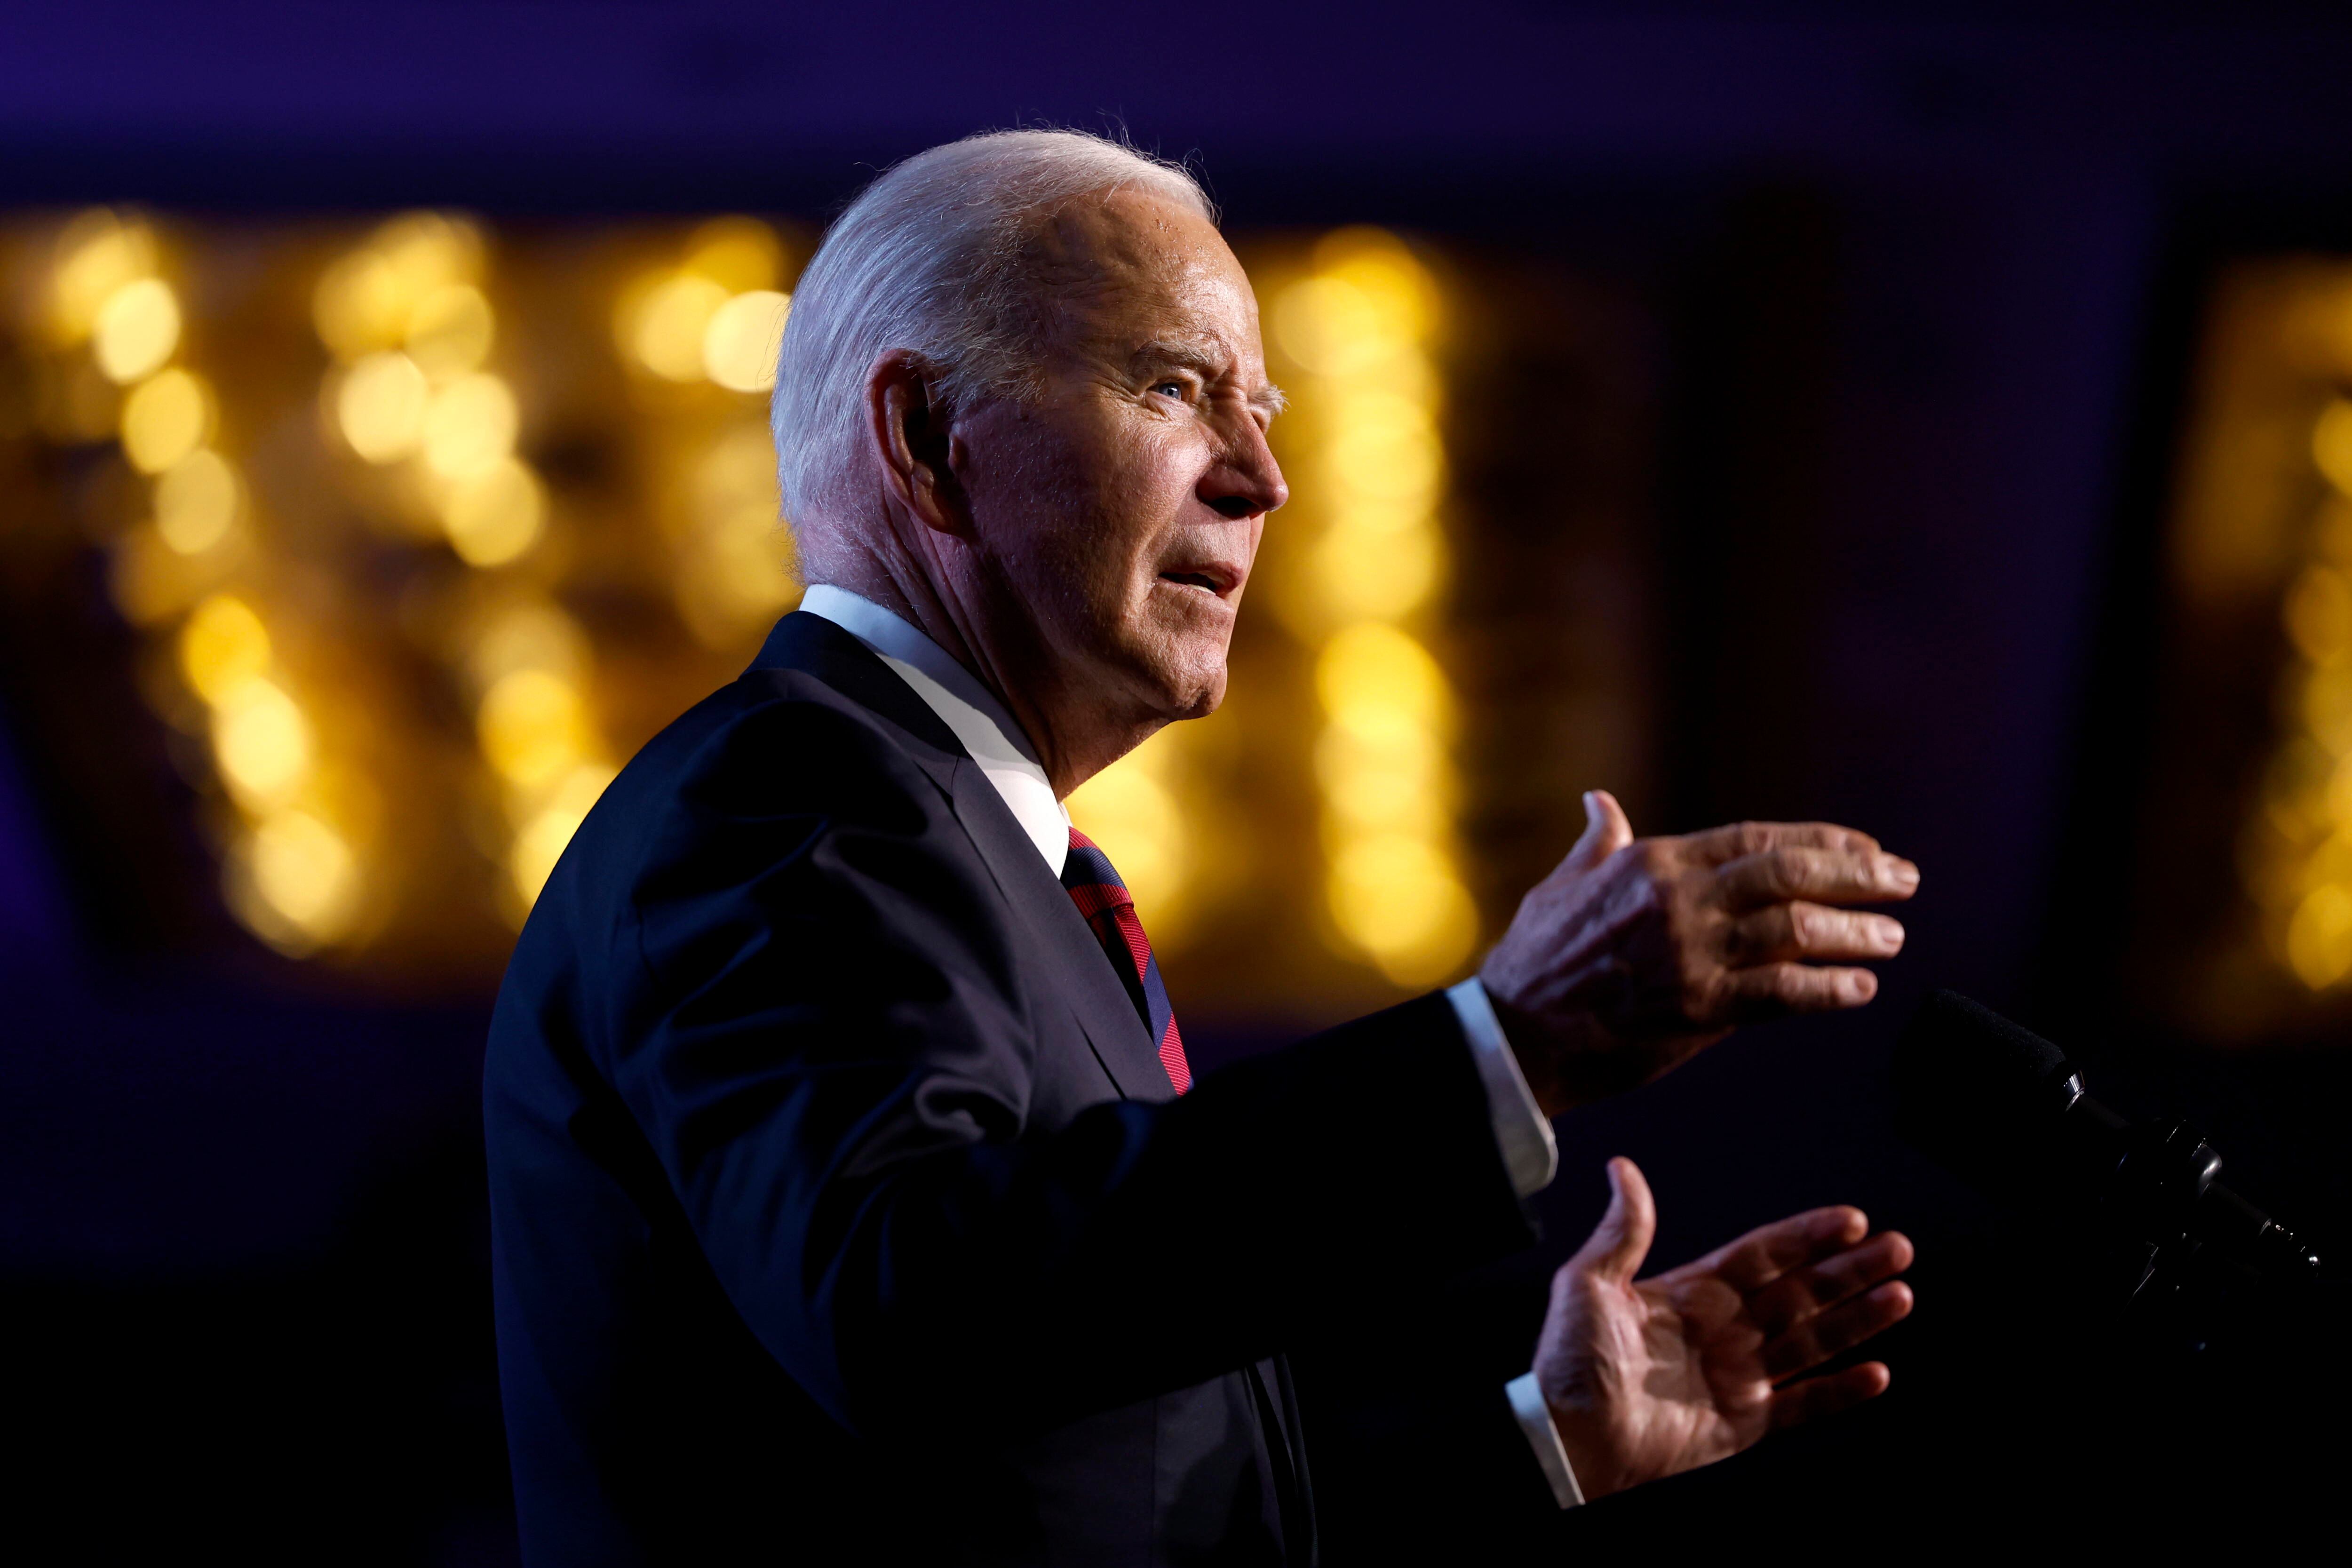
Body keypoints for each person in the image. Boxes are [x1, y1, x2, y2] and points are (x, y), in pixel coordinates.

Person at [485, 129, 1920, 1566]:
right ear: (927, 441)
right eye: (1176, 387)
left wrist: (1541, 1444)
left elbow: (1096, 1504)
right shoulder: (787, 794)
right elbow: (911, 1317)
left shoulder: (988, 859)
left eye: (1264, 406)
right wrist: (1508, 1042)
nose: (1263, 476)